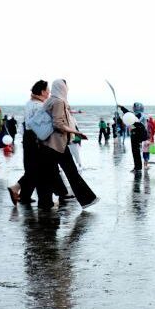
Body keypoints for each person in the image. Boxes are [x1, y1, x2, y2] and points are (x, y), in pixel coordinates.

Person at [38, 79, 98, 210]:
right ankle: (87, 199)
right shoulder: (59, 102)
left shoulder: (50, 100)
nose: (68, 89)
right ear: (61, 88)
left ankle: (45, 203)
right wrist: (76, 132)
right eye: (66, 86)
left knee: (49, 173)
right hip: (58, 143)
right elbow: (58, 124)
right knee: (71, 172)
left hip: (47, 143)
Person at [8, 80, 67, 205]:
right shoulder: (40, 106)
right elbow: (48, 123)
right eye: (47, 90)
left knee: (32, 168)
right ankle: (17, 188)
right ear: (42, 92)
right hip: (37, 138)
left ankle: (24, 194)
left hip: (27, 137)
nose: (49, 92)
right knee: (39, 169)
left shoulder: (29, 103)